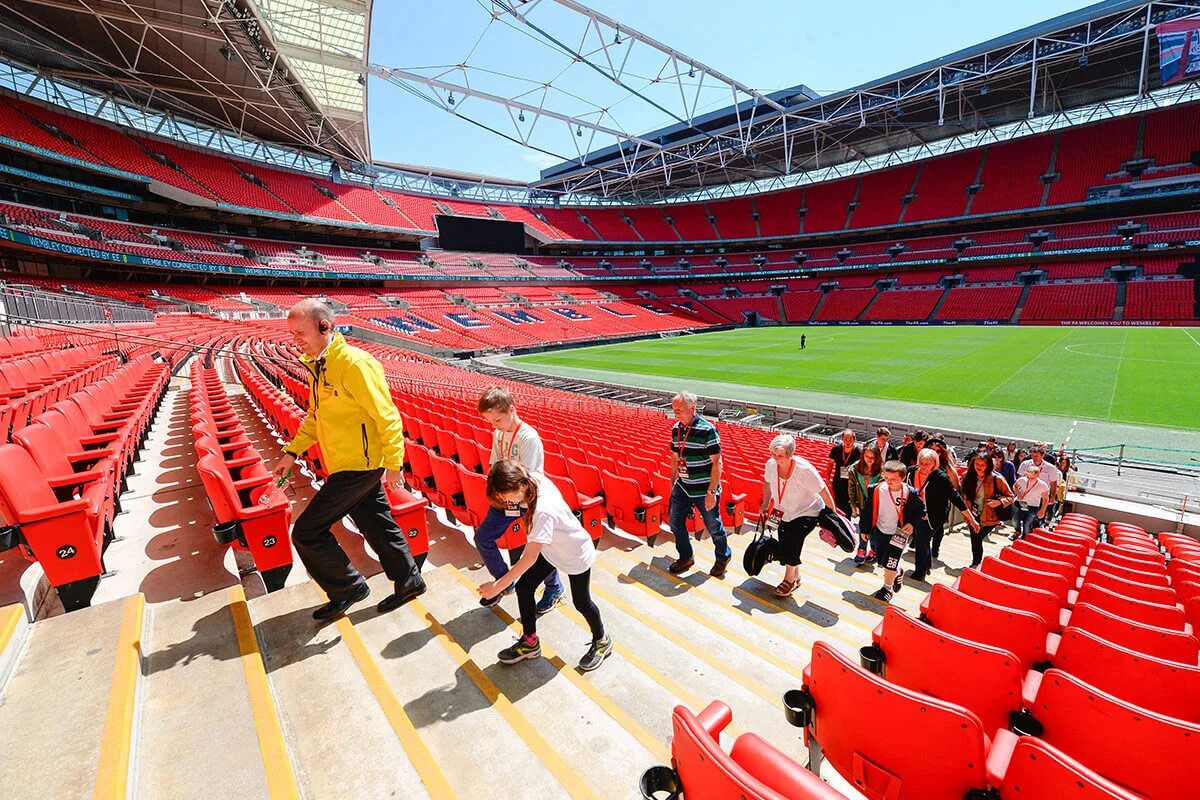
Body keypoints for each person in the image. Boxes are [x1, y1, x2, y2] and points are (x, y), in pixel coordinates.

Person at [272, 299, 425, 620]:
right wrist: (291, 452)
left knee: (306, 531)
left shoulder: (355, 364)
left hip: (360, 466)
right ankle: (410, 581)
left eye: (300, 333)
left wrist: (395, 463)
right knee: (378, 525)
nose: (295, 340)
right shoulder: (319, 364)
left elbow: (387, 417)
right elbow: (315, 417)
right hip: (344, 464)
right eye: (292, 334)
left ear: (324, 327)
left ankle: (347, 587)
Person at [478, 461, 612, 671]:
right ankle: (530, 642)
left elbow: (528, 558)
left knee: (582, 602)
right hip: (551, 550)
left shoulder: (542, 512)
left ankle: (602, 640)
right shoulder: (531, 479)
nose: (505, 503)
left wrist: (497, 586)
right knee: (524, 587)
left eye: (505, 498)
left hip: (574, 554)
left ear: (518, 488)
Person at [474, 387, 564, 613]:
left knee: (538, 549)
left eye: (497, 419)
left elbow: (528, 479)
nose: (494, 425)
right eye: (490, 421)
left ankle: (554, 588)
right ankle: (504, 582)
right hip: (505, 498)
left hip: (528, 500)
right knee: (483, 537)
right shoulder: (498, 433)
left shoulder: (528, 437)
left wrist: (510, 500)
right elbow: (495, 464)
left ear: (511, 409)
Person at [758, 434, 842, 597]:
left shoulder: (805, 469)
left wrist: (833, 518)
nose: (776, 459)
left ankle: (788, 580)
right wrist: (765, 502)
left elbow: (824, 492)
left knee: (793, 540)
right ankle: (795, 576)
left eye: (780, 456)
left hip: (806, 511)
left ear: (790, 454)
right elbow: (767, 483)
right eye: (773, 454)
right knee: (785, 542)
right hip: (782, 510)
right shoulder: (770, 465)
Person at [667, 391, 732, 577]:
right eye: (674, 410)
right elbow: (674, 459)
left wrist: (711, 492)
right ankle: (686, 556)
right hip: (683, 486)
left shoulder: (708, 430)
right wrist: (673, 484)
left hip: (704, 489)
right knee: (675, 522)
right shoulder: (676, 429)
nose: (676, 413)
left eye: (679, 409)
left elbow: (717, 463)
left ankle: (723, 556)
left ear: (692, 408)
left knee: (713, 527)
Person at [859, 461, 926, 603]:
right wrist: (864, 529)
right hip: (880, 530)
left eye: (893, 479)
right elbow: (867, 511)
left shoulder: (911, 493)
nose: (889, 482)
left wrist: (912, 524)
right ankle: (897, 572)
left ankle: (887, 588)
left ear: (902, 478)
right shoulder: (876, 489)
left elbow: (921, 511)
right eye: (886, 478)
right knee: (882, 562)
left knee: (891, 561)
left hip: (899, 533)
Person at [908, 448, 977, 580]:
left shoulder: (941, 477)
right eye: (921, 462)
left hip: (934, 515)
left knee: (922, 540)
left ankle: (920, 572)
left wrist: (971, 519)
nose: (923, 467)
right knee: (922, 540)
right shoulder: (911, 472)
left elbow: (955, 498)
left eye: (927, 464)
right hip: (917, 513)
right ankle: (926, 565)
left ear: (934, 463)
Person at [959, 453, 1015, 569]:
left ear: (988, 466)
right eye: (977, 464)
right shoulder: (966, 476)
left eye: (982, 465)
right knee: (975, 539)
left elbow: (1010, 496)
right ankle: (976, 563)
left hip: (990, 516)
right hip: (972, 514)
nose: (979, 467)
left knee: (977, 537)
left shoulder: (997, 479)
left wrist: (998, 502)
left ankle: (976, 563)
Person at [846, 446, 882, 564]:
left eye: (873, 457)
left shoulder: (882, 469)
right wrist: (852, 504)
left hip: (877, 504)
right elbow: (851, 487)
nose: (870, 459)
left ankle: (874, 550)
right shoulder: (855, 468)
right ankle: (861, 549)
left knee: (875, 529)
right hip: (862, 503)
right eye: (867, 456)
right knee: (863, 526)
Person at [826, 429, 861, 517]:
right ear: (842, 439)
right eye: (845, 439)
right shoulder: (836, 449)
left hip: (851, 482)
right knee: (839, 502)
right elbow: (830, 464)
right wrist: (827, 477)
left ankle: (847, 521)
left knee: (848, 505)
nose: (848, 442)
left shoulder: (858, 452)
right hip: (838, 480)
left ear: (854, 439)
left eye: (850, 440)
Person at [1018, 447, 1060, 520]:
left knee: (1038, 518)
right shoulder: (1025, 464)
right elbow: (1019, 480)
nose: (1034, 458)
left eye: (1037, 456)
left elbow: (1053, 483)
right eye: (1032, 456)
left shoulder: (1051, 468)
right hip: (1025, 496)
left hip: (1041, 498)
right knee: (1022, 517)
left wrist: (1053, 496)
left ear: (1042, 455)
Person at [1011, 465, 1050, 539]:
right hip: (1019, 503)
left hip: (1033, 506)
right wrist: (1018, 493)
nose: (1030, 479)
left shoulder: (1043, 485)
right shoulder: (1022, 480)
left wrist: (1042, 511)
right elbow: (1015, 486)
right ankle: (1017, 531)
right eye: (1028, 477)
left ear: (1038, 475)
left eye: (1032, 477)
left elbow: (1045, 499)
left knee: (1027, 524)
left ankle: (1025, 538)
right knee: (1015, 520)